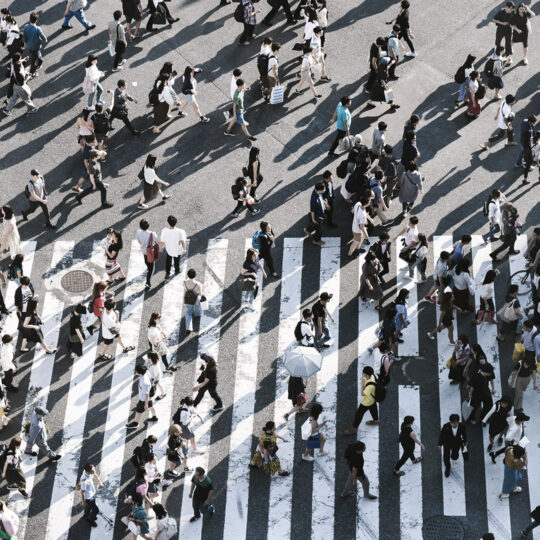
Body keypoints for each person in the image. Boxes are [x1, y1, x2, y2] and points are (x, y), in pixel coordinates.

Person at [344, 366, 379, 435]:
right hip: (372, 398)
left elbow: (362, 394)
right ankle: (376, 420)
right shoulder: (372, 376)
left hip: (366, 402)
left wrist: (362, 384)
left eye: (363, 373)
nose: (362, 373)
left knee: (359, 414)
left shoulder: (370, 386)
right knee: (373, 408)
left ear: (367, 375)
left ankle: (354, 428)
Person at [126, 364, 158, 429]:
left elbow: (146, 394)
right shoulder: (147, 372)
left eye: (136, 371)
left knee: (138, 411)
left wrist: (145, 404)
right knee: (151, 406)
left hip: (144, 400)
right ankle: (154, 417)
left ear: (139, 373)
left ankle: (135, 423)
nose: (135, 372)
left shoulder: (144, 382)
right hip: (149, 397)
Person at [467, 355, 495, 423]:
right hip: (476, 392)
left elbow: (491, 379)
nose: (490, 375)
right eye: (488, 374)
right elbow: (472, 386)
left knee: (489, 404)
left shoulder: (489, 370)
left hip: (485, 390)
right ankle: (471, 418)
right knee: (473, 406)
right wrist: (470, 394)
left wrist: (493, 388)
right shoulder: (476, 376)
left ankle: (483, 416)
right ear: (484, 372)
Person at [77, 463, 103, 528]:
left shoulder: (89, 471)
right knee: (96, 510)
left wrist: (100, 482)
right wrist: (83, 501)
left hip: (92, 493)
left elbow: (95, 474)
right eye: (92, 470)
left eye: (93, 469)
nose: (94, 471)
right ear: (88, 472)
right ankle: (90, 519)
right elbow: (82, 491)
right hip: (89, 497)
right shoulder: (84, 481)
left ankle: (86, 515)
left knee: (89, 506)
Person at [136, 219, 158, 289]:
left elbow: (139, 241)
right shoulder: (152, 234)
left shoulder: (138, 232)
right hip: (150, 252)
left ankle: (148, 269)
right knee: (151, 268)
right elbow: (157, 241)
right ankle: (148, 282)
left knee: (147, 262)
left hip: (144, 251)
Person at [22, 12, 46, 76]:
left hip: (29, 46)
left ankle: (38, 64)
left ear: (30, 19)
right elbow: (44, 38)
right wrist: (44, 40)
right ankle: (32, 73)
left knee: (37, 57)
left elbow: (24, 37)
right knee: (34, 61)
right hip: (36, 47)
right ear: (36, 20)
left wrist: (25, 45)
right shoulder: (38, 29)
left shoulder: (26, 26)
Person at [304, 182, 328, 247]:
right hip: (318, 215)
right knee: (320, 228)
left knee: (316, 224)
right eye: (324, 189)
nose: (325, 189)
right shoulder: (314, 200)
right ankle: (316, 240)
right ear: (319, 190)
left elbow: (321, 198)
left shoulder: (317, 192)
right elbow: (312, 210)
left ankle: (308, 230)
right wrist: (313, 219)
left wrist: (324, 203)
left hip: (321, 212)